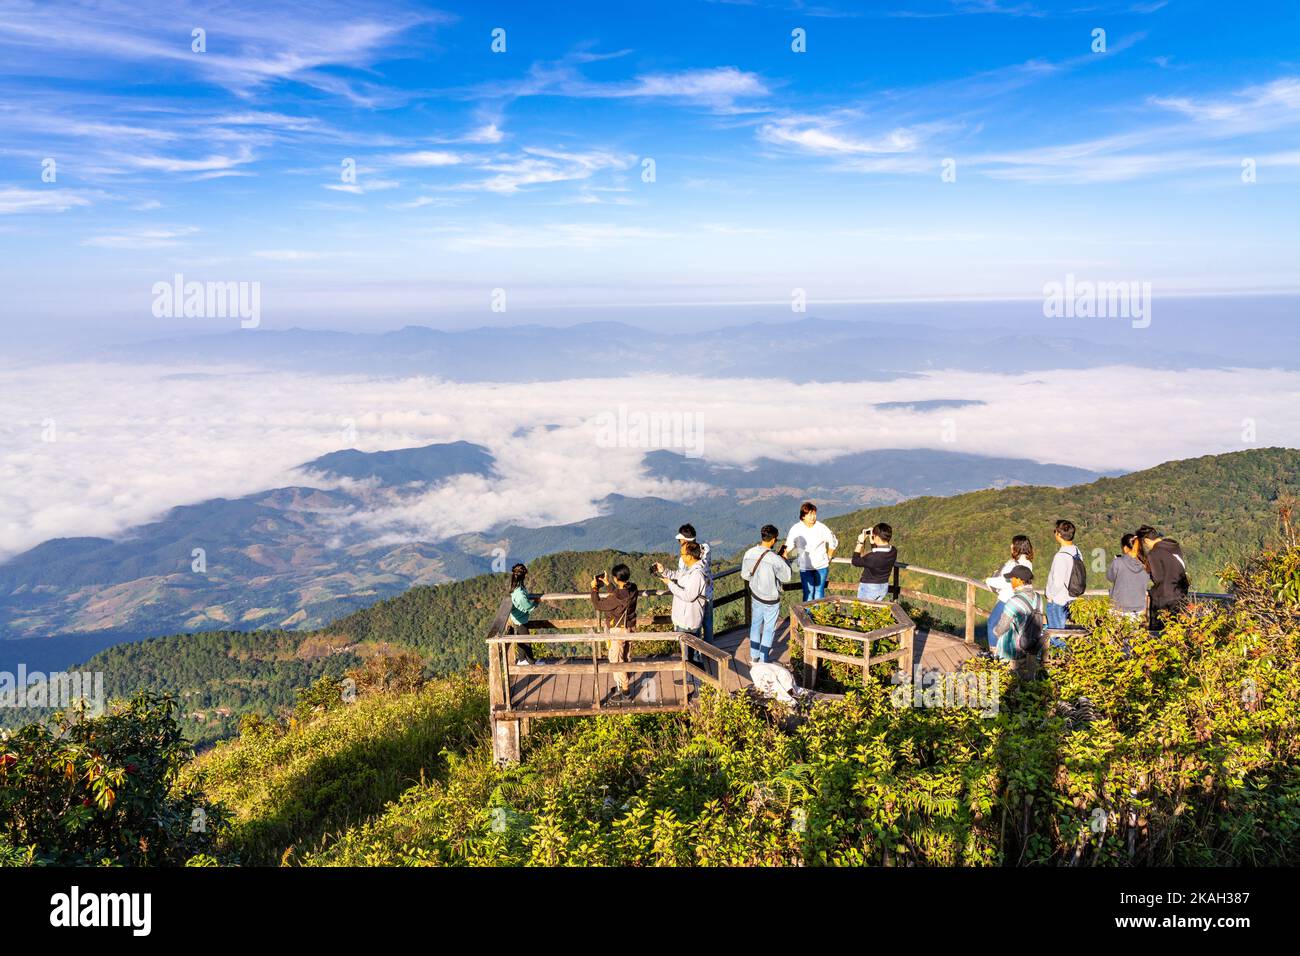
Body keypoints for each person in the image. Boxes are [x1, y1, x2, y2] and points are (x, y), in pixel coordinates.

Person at [740, 524, 793, 664]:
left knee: (756, 625)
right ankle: (764, 659)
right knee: (769, 629)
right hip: (771, 599)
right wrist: (785, 559)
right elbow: (787, 577)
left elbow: (745, 575)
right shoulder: (775, 559)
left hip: (756, 596)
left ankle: (754, 656)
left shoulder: (749, 553)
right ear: (774, 540)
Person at [590, 563, 639, 700]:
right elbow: (619, 594)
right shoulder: (633, 589)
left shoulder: (616, 597)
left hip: (618, 631)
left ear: (616, 579)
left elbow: (598, 605)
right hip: (630, 628)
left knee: (616, 660)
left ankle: (625, 692)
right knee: (625, 656)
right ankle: (622, 684)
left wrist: (594, 588)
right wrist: (608, 584)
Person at [658, 541, 709, 660]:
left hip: (689, 622)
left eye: (682, 554)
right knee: (688, 655)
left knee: (692, 656)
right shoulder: (689, 569)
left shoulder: (697, 574)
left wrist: (670, 584)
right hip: (684, 619)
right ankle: (692, 678)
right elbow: (677, 575)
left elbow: (688, 596)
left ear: (690, 556)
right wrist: (663, 571)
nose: (681, 556)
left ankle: (696, 677)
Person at [984, 535, 1034, 650]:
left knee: (993, 625)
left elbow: (1007, 582)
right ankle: (1002, 654)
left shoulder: (1017, 563)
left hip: (1007, 599)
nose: (1011, 546)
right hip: (1018, 598)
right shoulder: (1027, 562)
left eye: (1013, 544)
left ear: (1018, 546)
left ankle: (994, 653)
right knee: (1009, 628)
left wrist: (989, 580)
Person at [784, 502, 839, 601]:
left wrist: (829, 556)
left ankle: (817, 615)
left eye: (814, 514)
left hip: (821, 566)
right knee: (808, 592)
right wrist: (782, 557)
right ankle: (807, 615)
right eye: (810, 514)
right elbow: (788, 545)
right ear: (803, 516)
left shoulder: (821, 527)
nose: (813, 517)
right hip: (805, 567)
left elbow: (833, 541)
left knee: (819, 591)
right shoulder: (796, 529)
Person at [1137, 525, 1190, 622]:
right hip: (1181, 595)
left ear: (1147, 541)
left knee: (1160, 634)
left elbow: (1157, 578)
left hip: (1163, 599)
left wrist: (1146, 568)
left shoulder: (1154, 553)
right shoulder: (1174, 547)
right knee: (1179, 630)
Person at [991, 565, 1043, 662]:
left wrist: (995, 631)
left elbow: (1002, 628)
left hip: (1013, 650)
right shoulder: (1039, 598)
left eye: (1012, 578)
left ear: (1019, 580)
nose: (1010, 581)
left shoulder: (1013, 602)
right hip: (1033, 644)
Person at [1045, 519, 1084, 637]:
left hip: (1058, 600)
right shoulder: (1077, 551)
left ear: (1059, 535)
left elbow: (1057, 582)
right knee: (1069, 635)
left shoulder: (1060, 556)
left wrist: (1050, 596)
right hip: (1072, 597)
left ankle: (1059, 655)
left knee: (1057, 635)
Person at [676, 524, 714, 644]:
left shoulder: (684, 558)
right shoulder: (705, 548)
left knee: (695, 627)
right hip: (707, 593)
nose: (679, 542)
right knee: (708, 624)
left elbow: (682, 574)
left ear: (684, 540)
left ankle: (697, 654)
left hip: (694, 597)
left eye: (680, 540)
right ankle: (710, 652)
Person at [1107, 533, 1151, 620]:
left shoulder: (1118, 562)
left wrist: (1116, 561)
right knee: (1135, 633)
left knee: (1117, 633)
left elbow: (1110, 577)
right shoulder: (1146, 564)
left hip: (1119, 607)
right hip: (1138, 608)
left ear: (1125, 548)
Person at [850, 522, 896, 602]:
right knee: (875, 610)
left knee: (863, 610)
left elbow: (855, 561)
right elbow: (878, 554)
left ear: (877, 537)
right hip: (883, 586)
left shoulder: (872, 557)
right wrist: (873, 542)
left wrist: (860, 543)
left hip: (869, 588)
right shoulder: (893, 551)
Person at [507, 563, 540, 666]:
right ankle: (531, 662)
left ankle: (522, 660)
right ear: (523, 576)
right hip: (520, 620)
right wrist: (536, 602)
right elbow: (527, 606)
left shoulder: (516, 587)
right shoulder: (519, 593)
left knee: (521, 639)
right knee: (526, 641)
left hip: (517, 618)